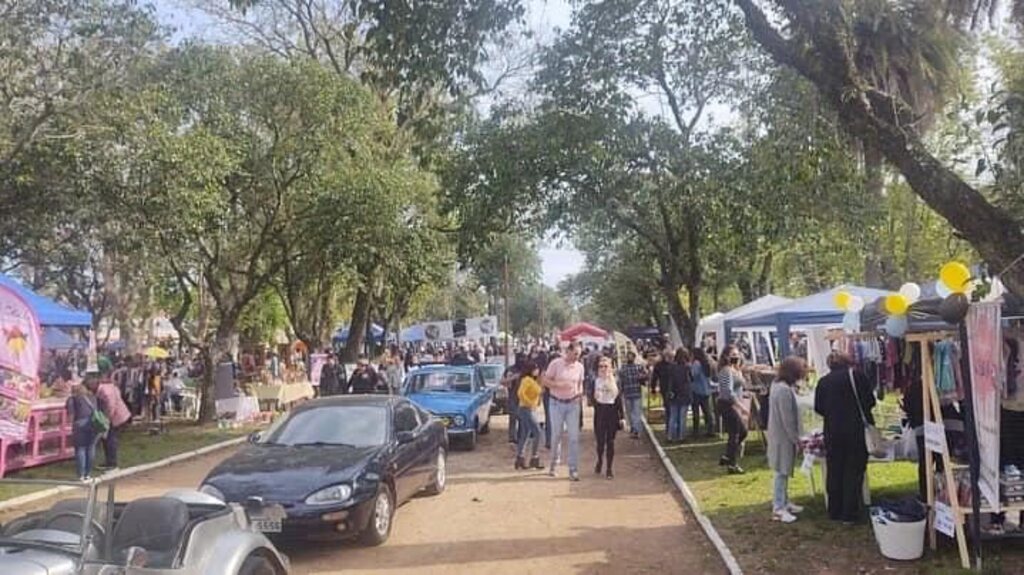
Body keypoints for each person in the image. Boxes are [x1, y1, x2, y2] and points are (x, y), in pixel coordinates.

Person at [815, 352, 876, 524]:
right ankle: (850, 512)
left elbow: (818, 407)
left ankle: (835, 510)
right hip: (855, 429)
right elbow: (870, 401)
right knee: (853, 470)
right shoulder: (857, 376)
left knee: (834, 470)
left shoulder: (823, 382)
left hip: (832, 431)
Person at [768, 356, 807, 524]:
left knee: (783, 470)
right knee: (781, 473)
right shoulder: (783, 390)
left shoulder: (777, 385)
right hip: (783, 437)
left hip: (779, 435)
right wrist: (796, 439)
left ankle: (784, 501)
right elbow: (787, 419)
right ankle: (778, 508)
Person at [541, 344, 585, 481]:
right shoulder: (556, 364)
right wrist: (557, 385)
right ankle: (554, 464)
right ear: (568, 351)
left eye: (579, 354)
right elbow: (545, 380)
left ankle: (573, 469)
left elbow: (580, 382)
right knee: (556, 435)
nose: (577, 357)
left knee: (573, 437)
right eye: (575, 353)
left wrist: (579, 393)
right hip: (556, 403)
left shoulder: (580, 367)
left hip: (573, 404)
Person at [86, 374, 131, 470]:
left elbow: (111, 407)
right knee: (106, 439)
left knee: (110, 439)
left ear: (95, 383)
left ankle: (112, 463)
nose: (89, 389)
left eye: (89, 386)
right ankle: (110, 461)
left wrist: (106, 420)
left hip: (115, 417)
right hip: (112, 416)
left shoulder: (105, 392)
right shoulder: (104, 388)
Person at [717, 345, 749, 474]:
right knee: (736, 433)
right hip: (727, 404)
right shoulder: (726, 371)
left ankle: (728, 456)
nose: (736, 357)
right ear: (726, 356)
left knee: (740, 432)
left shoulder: (734, 370)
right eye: (733, 355)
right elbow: (728, 392)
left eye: (737, 354)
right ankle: (732, 464)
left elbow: (740, 385)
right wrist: (741, 406)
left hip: (733, 404)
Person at [593, 356, 623, 479]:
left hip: (612, 413)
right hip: (600, 412)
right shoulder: (595, 381)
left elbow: (619, 401)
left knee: (610, 441)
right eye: (601, 366)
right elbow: (591, 399)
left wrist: (622, 417)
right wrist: (594, 397)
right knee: (600, 442)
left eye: (606, 366)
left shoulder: (615, 381)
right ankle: (600, 459)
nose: (603, 369)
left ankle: (609, 468)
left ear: (610, 368)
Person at [66, 381, 99, 481]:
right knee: (91, 447)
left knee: (80, 449)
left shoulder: (72, 399)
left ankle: (81, 474)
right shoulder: (92, 397)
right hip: (92, 424)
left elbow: (70, 416)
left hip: (79, 424)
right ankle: (88, 474)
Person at [514, 360, 544, 470]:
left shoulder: (533, 380)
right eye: (535, 369)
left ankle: (520, 458)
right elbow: (520, 393)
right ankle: (534, 458)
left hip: (529, 409)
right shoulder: (526, 380)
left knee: (525, 434)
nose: (537, 371)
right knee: (538, 432)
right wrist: (529, 402)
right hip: (526, 409)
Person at [617, 351, 647, 439]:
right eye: (628, 357)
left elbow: (646, 376)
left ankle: (635, 430)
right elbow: (620, 382)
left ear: (633, 358)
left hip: (632, 393)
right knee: (632, 413)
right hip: (631, 393)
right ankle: (635, 428)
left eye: (630, 357)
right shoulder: (625, 368)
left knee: (634, 413)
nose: (629, 358)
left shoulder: (635, 367)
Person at [665, 349, 693, 442]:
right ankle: (681, 436)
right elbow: (691, 379)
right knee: (682, 416)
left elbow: (669, 380)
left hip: (674, 392)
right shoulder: (687, 367)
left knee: (673, 416)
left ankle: (670, 436)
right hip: (684, 393)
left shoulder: (671, 367)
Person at [690, 348, 714, 437]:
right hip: (706, 390)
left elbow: (693, 375)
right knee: (707, 411)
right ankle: (710, 429)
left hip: (696, 390)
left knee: (695, 411)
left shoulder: (696, 364)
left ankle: (696, 431)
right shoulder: (707, 363)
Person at [503, 355, 526, 444]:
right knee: (513, 417)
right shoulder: (510, 369)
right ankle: (512, 437)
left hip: (524, 397)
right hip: (513, 396)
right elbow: (503, 381)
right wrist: (513, 377)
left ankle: (521, 436)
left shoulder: (526, 369)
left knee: (522, 418)